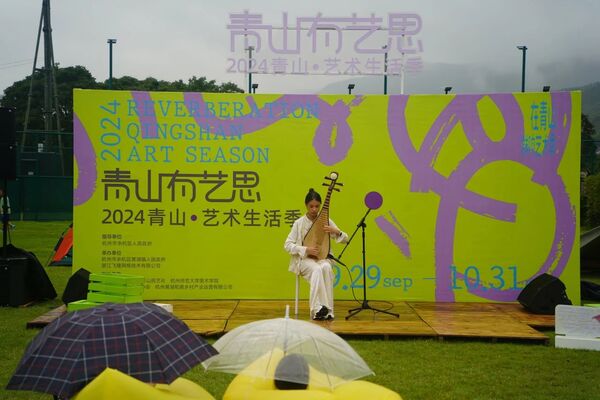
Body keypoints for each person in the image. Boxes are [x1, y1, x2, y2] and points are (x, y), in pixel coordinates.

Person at [284, 188, 348, 320]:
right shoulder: (299, 223)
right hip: (304, 260)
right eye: (311, 206)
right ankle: (317, 309)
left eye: (317, 206)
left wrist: (336, 231)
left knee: (326, 267)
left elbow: (345, 240)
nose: (314, 209)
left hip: (322, 258)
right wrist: (306, 249)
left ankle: (328, 311)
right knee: (317, 269)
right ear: (306, 205)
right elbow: (287, 245)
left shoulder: (325, 220)